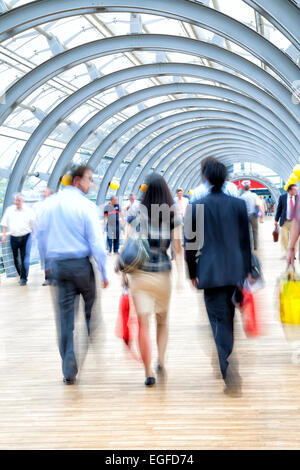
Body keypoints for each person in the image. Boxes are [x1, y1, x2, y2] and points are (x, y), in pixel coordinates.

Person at [184, 159, 252, 396]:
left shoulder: (196, 206)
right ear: (225, 178)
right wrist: (247, 272)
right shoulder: (238, 205)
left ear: (205, 178)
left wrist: (192, 273)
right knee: (228, 319)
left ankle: (228, 369)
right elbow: (246, 242)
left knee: (218, 321)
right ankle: (225, 359)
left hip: (209, 273)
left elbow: (190, 245)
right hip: (234, 272)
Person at [36, 165, 108, 385]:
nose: (91, 184)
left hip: (58, 267)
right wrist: (104, 272)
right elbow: (96, 242)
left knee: (65, 319)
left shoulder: (48, 205)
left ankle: (69, 368)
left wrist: (46, 265)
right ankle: (91, 335)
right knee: (90, 309)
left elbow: (40, 237)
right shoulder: (85, 206)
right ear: (77, 181)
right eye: (89, 179)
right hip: (81, 266)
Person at [123, 174, 181, 386]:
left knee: (143, 324)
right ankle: (161, 360)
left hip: (139, 274)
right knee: (162, 321)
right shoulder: (172, 211)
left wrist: (123, 273)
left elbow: (127, 242)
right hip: (162, 273)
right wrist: (181, 275)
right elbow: (177, 246)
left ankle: (148, 372)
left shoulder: (136, 210)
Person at [1, 193, 35, 285]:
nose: (17, 202)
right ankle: (21, 274)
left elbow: (33, 224)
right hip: (14, 237)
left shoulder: (28, 210)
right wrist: (4, 236)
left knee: (25, 257)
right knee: (15, 258)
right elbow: (4, 223)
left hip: (26, 236)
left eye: (19, 200)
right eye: (16, 200)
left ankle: (23, 278)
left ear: (22, 201)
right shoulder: (9, 210)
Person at [34, 187, 54, 285]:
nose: (43, 193)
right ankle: (48, 278)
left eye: (45, 191)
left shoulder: (55, 204)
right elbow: (36, 220)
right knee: (46, 257)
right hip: (42, 234)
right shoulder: (39, 206)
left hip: (53, 233)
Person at [275, 184, 298, 258]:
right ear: (289, 190)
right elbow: (279, 209)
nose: (296, 191)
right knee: (284, 238)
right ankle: (286, 252)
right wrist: (276, 220)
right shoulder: (282, 197)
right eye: (294, 189)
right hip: (284, 221)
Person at [173, 188, 189, 287]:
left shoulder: (186, 200)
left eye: (181, 192)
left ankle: (184, 241)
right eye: (178, 192)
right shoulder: (174, 200)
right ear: (177, 194)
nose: (180, 194)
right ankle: (180, 242)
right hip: (177, 217)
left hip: (185, 216)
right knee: (178, 231)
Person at [240, 180, 260, 251]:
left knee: (247, 232)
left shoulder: (241, 197)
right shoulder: (254, 195)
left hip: (245, 216)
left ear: (243, 187)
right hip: (253, 215)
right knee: (255, 231)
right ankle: (256, 246)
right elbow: (258, 205)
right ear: (250, 187)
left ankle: (249, 246)